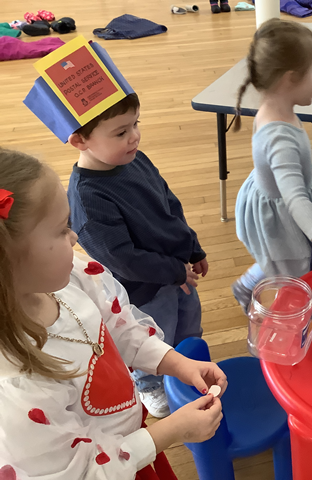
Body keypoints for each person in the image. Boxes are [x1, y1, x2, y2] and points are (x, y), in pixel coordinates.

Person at [0, 149, 227, 479]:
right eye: (62, 230)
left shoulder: (70, 278)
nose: (75, 237)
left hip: (132, 448)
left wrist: (177, 363)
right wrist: (173, 430)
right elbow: (83, 473)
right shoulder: (15, 388)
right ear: (8, 261)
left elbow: (118, 327)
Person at [23, 38, 207, 419]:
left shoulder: (132, 158)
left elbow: (168, 201)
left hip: (177, 272)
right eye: (121, 132)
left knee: (188, 326)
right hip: (145, 290)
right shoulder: (88, 200)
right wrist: (174, 271)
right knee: (154, 334)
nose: (134, 137)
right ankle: (150, 383)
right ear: (80, 140)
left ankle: (186, 362)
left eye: (135, 124)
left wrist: (192, 247)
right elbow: (123, 260)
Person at [231, 18, 312, 312]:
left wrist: (302, 171)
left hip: (274, 192)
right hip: (282, 210)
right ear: (289, 79)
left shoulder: (275, 107)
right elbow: (294, 198)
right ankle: (287, 310)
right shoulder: (279, 135)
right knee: (295, 266)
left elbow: (273, 164)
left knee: (277, 258)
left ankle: (246, 283)